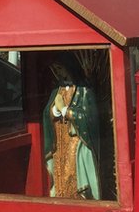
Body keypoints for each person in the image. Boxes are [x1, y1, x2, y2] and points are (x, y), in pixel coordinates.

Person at [41, 56, 101, 200]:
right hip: (60, 144)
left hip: (76, 141)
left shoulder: (84, 90)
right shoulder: (58, 90)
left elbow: (88, 117)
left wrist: (65, 111)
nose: (59, 73)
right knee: (60, 177)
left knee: (74, 174)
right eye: (55, 70)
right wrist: (54, 111)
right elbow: (46, 112)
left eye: (60, 69)